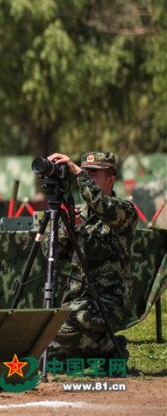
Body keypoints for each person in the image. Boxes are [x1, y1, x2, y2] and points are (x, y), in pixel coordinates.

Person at [45, 151, 138, 362]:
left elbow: (101, 204)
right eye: (85, 173)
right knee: (50, 352)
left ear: (111, 180)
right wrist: (66, 228)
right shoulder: (77, 214)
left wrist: (77, 173)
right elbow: (49, 252)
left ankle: (105, 346)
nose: (86, 178)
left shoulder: (124, 211)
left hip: (110, 302)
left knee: (58, 326)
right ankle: (108, 347)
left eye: (92, 174)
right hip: (77, 302)